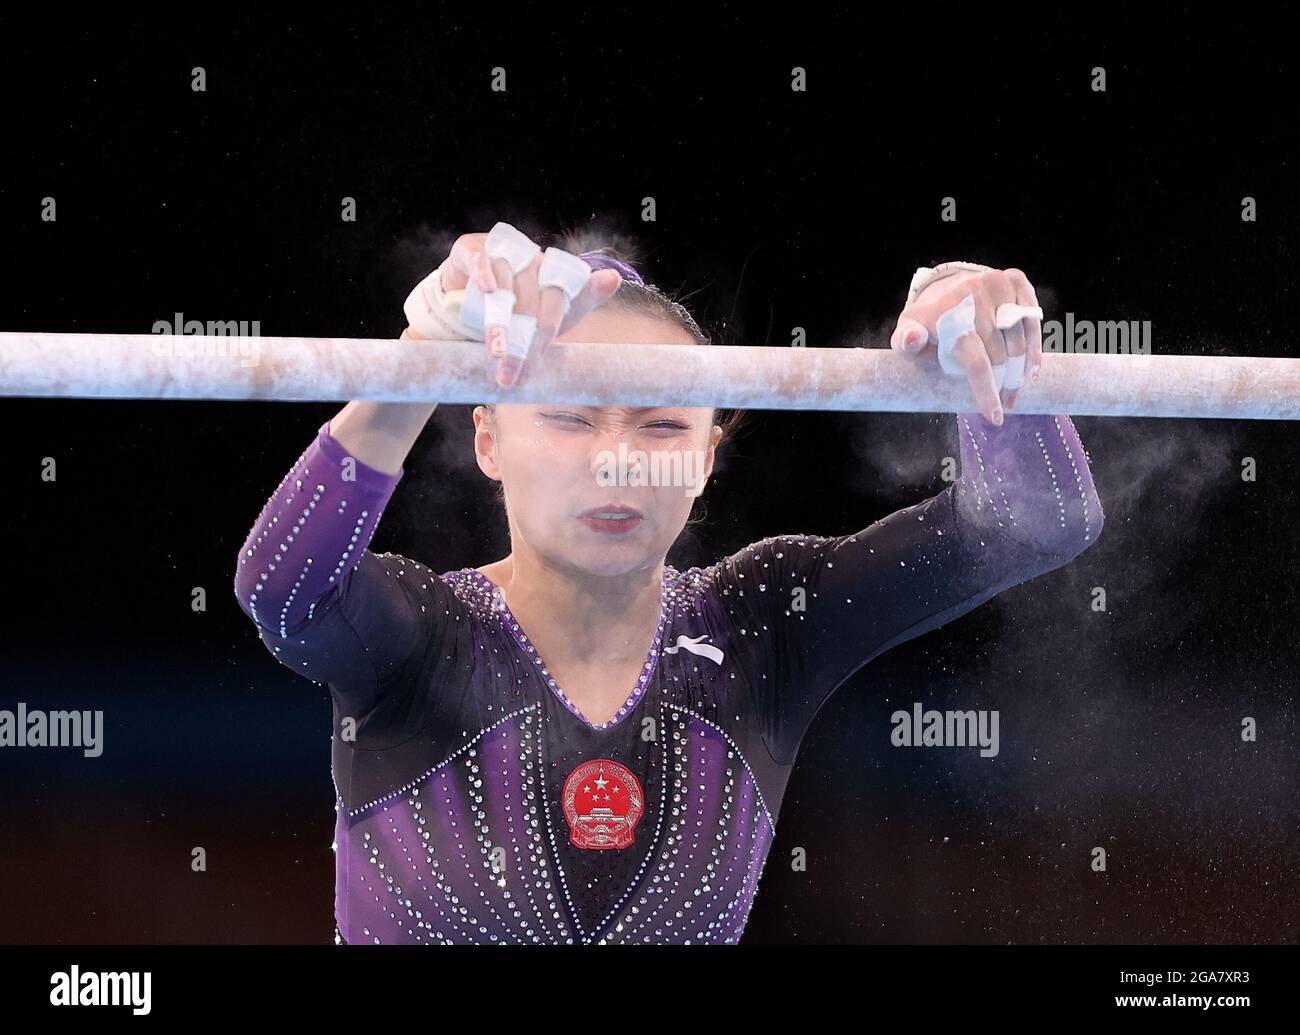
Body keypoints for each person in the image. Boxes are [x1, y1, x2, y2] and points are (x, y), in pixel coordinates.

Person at [233, 223, 1103, 944]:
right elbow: (283, 589)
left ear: (705, 458)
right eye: (571, 417)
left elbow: (1036, 519)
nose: (617, 459)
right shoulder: (421, 637)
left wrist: (995, 362)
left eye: (661, 425)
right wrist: (422, 357)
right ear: (488, 441)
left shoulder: (762, 624)